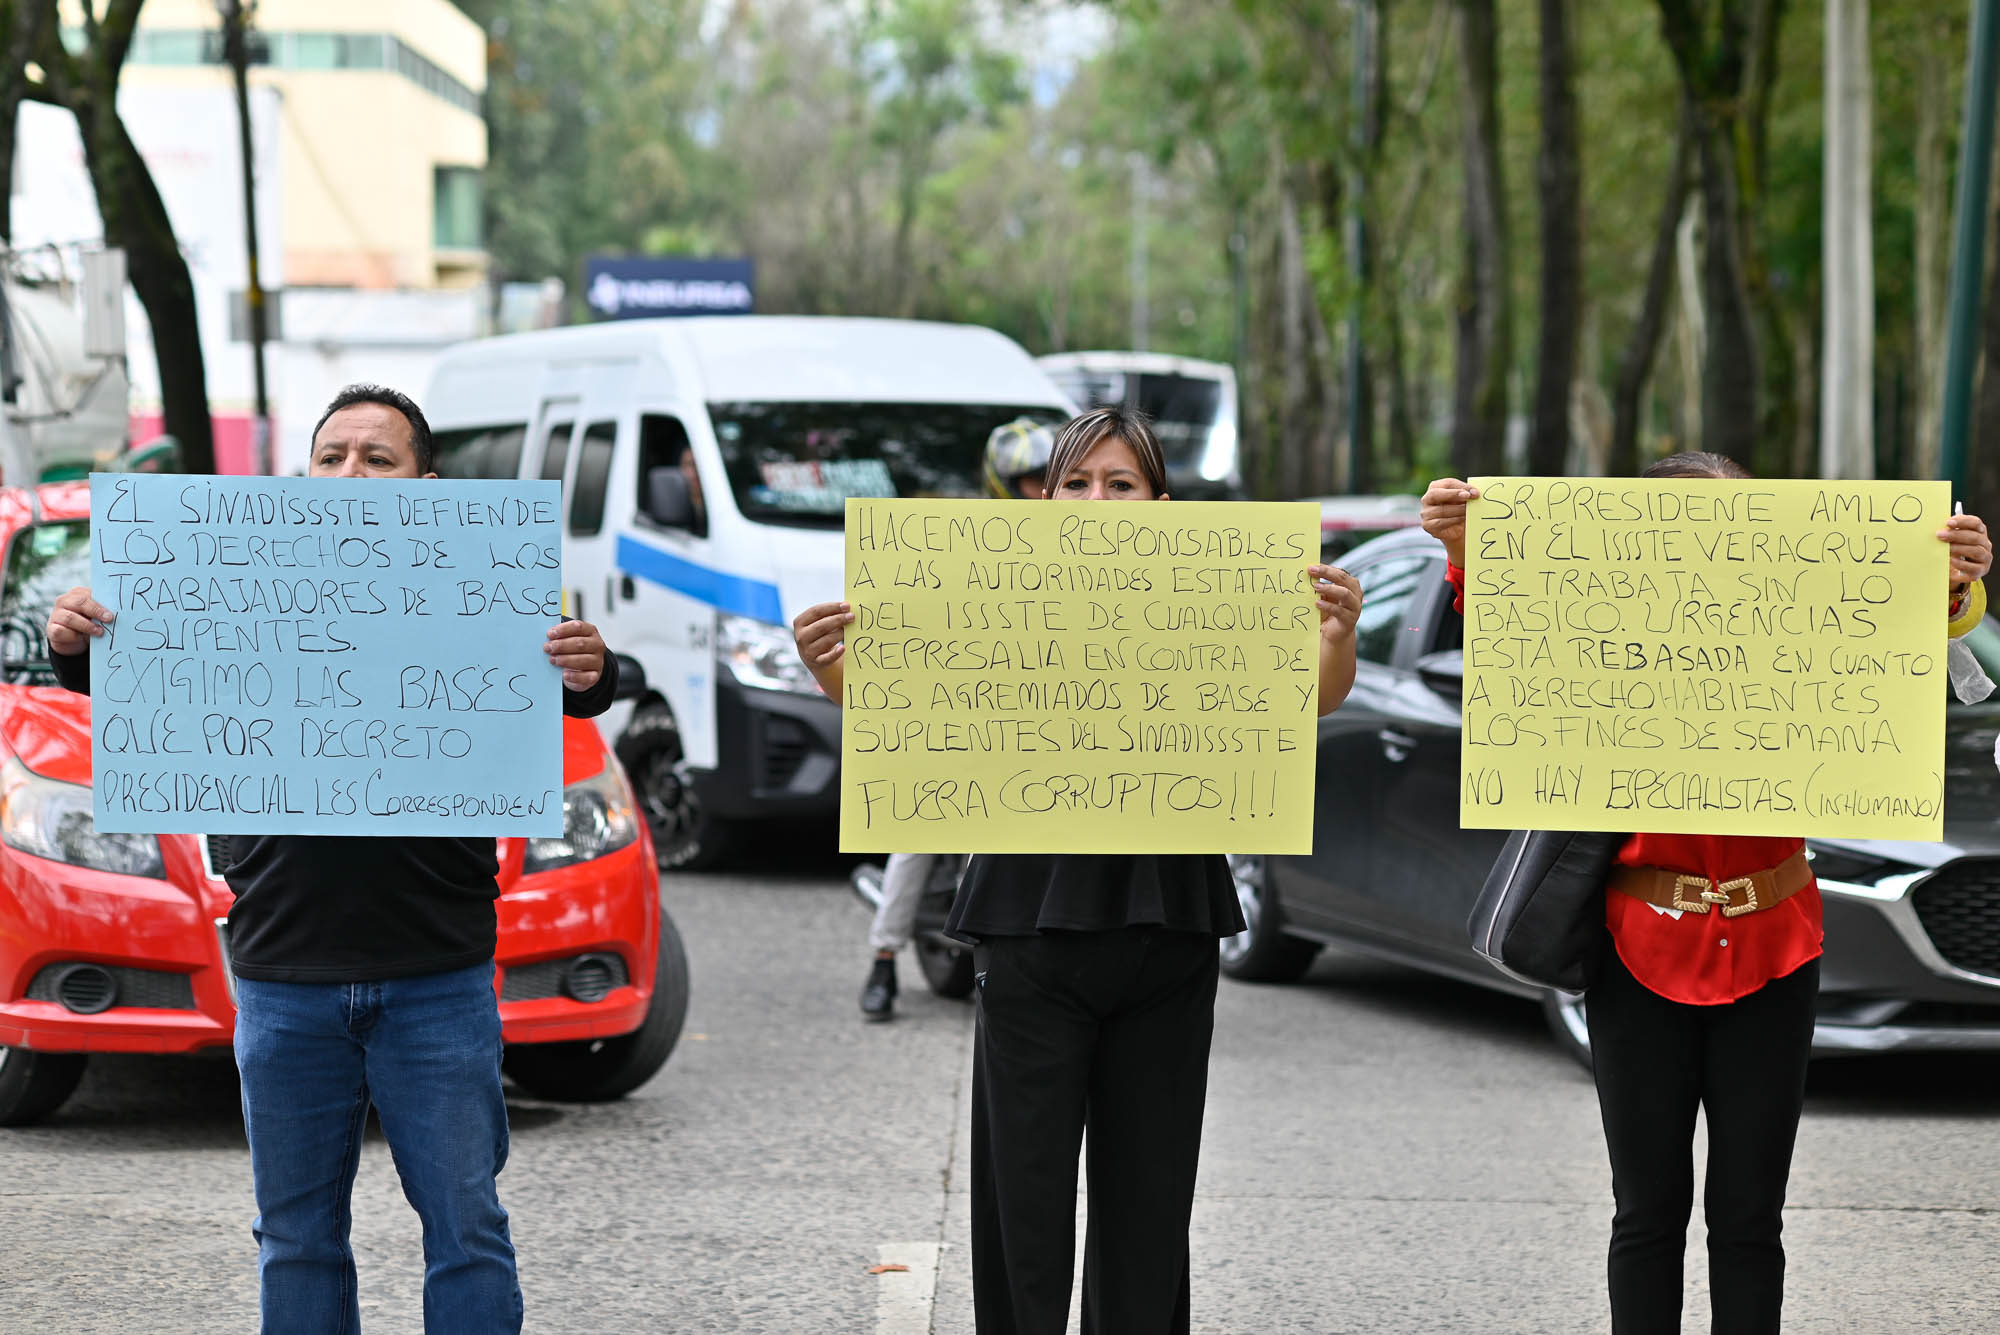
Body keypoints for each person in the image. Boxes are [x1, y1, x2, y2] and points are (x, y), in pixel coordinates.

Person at [45, 383, 620, 1335]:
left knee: (466, 1230)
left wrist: (598, 670)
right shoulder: (238, 579)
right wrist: (77, 646)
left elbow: (585, 686)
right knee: (297, 1236)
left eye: (378, 459)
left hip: (437, 976)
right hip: (281, 976)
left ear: (427, 487)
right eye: (332, 456)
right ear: (303, 475)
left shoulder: (477, 586)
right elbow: (136, 669)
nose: (351, 474)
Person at [795, 406, 1365, 1333]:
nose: (1098, 501)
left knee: (1148, 1211)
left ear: (1162, 504)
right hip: (1029, 935)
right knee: (1024, 1209)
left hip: (1170, 930)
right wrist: (834, 673)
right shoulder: (988, 598)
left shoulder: (1214, 599)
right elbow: (917, 727)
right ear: (1044, 500)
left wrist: (1334, 636)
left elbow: (1305, 700)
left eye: (1122, 484)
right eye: (1077, 483)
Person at [1420, 456, 1992, 1335]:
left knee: (1750, 1219)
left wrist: (1950, 583)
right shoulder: (1610, 642)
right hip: (1636, 946)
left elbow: (1893, 649)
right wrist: (1469, 550)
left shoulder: (1790, 630)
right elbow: (1521, 635)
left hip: (1778, 944)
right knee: (1646, 1214)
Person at [861, 416, 1057, 1021]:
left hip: (1040, 724)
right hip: (958, 719)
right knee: (916, 833)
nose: (1041, 490)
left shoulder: (1077, 549)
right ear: (1002, 482)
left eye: (1048, 479)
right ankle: (883, 959)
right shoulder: (958, 539)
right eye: (1028, 481)